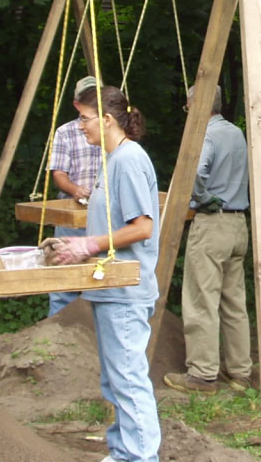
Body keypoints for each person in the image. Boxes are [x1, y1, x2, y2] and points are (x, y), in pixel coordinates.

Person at [45, 85, 161, 462]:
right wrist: (73, 247)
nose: (80, 126)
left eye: (85, 118)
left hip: (125, 290)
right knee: (115, 379)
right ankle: (123, 451)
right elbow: (107, 229)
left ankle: (141, 456)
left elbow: (142, 227)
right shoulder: (111, 160)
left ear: (108, 120)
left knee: (127, 379)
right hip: (109, 288)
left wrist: (88, 245)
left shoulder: (127, 160)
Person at [163, 85, 256, 395]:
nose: (187, 112)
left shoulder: (205, 133)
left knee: (201, 300)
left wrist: (200, 198)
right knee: (234, 303)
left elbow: (196, 172)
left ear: (196, 105)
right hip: (239, 224)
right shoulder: (236, 133)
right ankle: (240, 373)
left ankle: (202, 376)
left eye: (188, 106)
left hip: (212, 225)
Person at [46, 74, 102, 317]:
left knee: (101, 274)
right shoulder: (65, 132)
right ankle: (57, 334)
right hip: (72, 213)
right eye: (86, 98)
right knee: (64, 275)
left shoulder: (112, 130)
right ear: (76, 103)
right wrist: (75, 189)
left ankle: (92, 333)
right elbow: (58, 173)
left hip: (103, 214)